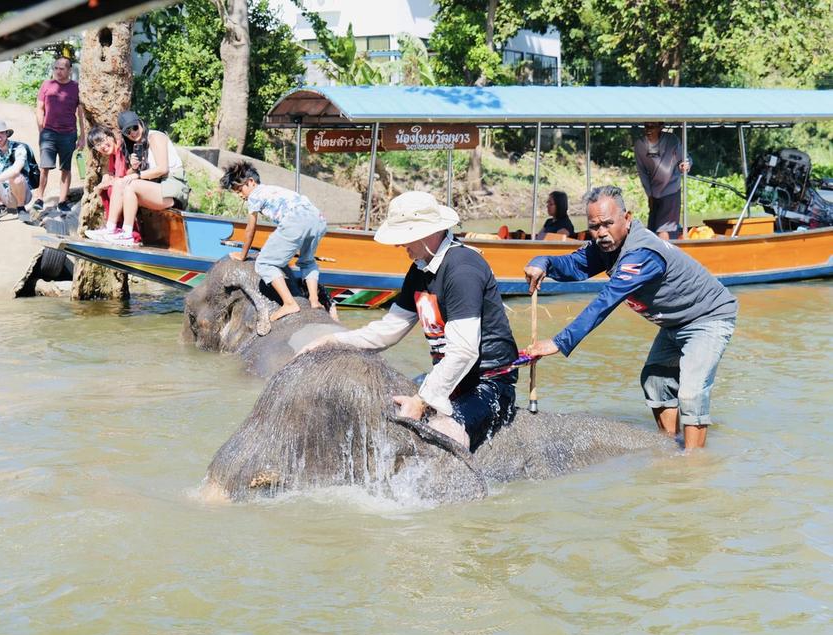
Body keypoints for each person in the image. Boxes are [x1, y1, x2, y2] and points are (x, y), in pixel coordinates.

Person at [301, 191, 519, 451]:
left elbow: (464, 350)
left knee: (441, 434)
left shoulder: (463, 269)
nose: (398, 245)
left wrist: (422, 400)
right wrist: (333, 341)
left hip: (487, 381)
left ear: (428, 232)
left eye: (404, 236)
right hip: (448, 378)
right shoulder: (420, 269)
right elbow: (388, 330)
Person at [523, 185, 737, 450]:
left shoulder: (641, 253)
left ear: (627, 218)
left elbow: (606, 301)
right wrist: (543, 262)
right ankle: (670, 446)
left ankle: (693, 466)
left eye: (608, 224)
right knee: (655, 381)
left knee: (691, 392)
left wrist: (559, 341)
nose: (601, 233)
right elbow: (574, 266)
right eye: (594, 226)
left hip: (707, 317)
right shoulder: (606, 246)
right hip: (673, 321)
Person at [219, 161, 330, 322]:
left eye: (239, 189)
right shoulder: (273, 190)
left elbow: (251, 229)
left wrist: (243, 255)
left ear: (250, 182)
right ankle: (314, 300)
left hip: (296, 220)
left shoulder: (255, 195)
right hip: (318, 219)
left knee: (264, 263)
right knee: (307, 261)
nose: (240, 195)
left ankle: (289, 303)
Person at [85, 111, 189, 246]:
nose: (133, 133)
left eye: (134, 127)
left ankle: (127, 234)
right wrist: (134, 168)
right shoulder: (138, 145)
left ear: (141, 123)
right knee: (120, 184)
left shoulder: (155, 137)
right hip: (158, 189)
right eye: (128, 131)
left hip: (173, 189)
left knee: (130, 184)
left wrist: (137, 175)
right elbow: (130, 176)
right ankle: (111, 229)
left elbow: (163, 169)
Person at [35, 56, 85, 212]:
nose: (58, 71)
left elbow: (81, 114)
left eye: (62, 68)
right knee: (44, 167)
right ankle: (39, 198)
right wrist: (41, 131)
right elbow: (39, 108)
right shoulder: (46, 85)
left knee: (66, 169)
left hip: (68, 134)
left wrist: (82, 136)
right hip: (48, 133)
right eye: (56, 68)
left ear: (70, 70)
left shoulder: (76, 87)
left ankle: (62, 201)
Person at [83, 125, 141, 243]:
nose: (102, 146)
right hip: (126, 184)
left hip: (137, 184)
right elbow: (110, 173)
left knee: (112, 188)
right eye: (97, 145)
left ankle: (115, 229)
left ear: (110, 136)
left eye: (103, 140)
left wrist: (104, 184)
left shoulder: (122, 149)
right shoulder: (112, 155)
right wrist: (105, 181)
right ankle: (113, 228)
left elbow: (120, 178)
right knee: (107, 189)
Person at [634, 122, 691, 240]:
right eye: (646, 126)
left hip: (671, 189)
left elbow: (685, 158)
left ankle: (665, 254)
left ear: (660, 127)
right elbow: (642, 172)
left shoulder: (671, 140)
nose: (648, 130)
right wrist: (649, 194)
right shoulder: (640, 145)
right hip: (654, 192)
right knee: (652, 228)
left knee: (664, 228)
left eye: (652, 126)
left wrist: (686, 164)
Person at [0, 120, 33, 222]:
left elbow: (15, 170)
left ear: (7, 134)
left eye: (1, 133)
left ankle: (21, 208)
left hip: (21, 191)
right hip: (3, 191)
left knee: (16, 177)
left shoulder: (19, 148)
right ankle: (0, 206)